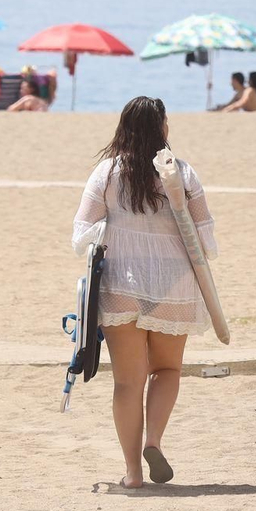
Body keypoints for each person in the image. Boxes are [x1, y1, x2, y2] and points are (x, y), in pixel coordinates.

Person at [72, 96, 218, 488]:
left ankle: (133, 473)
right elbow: (206, 239)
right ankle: (153, 440)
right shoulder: (182, 173)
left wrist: (118, 232)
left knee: (126, 382)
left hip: (122, 284)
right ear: (162, 129)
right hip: (174, 285)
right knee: (167, 369)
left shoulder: (106, 172)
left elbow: (81, 233)